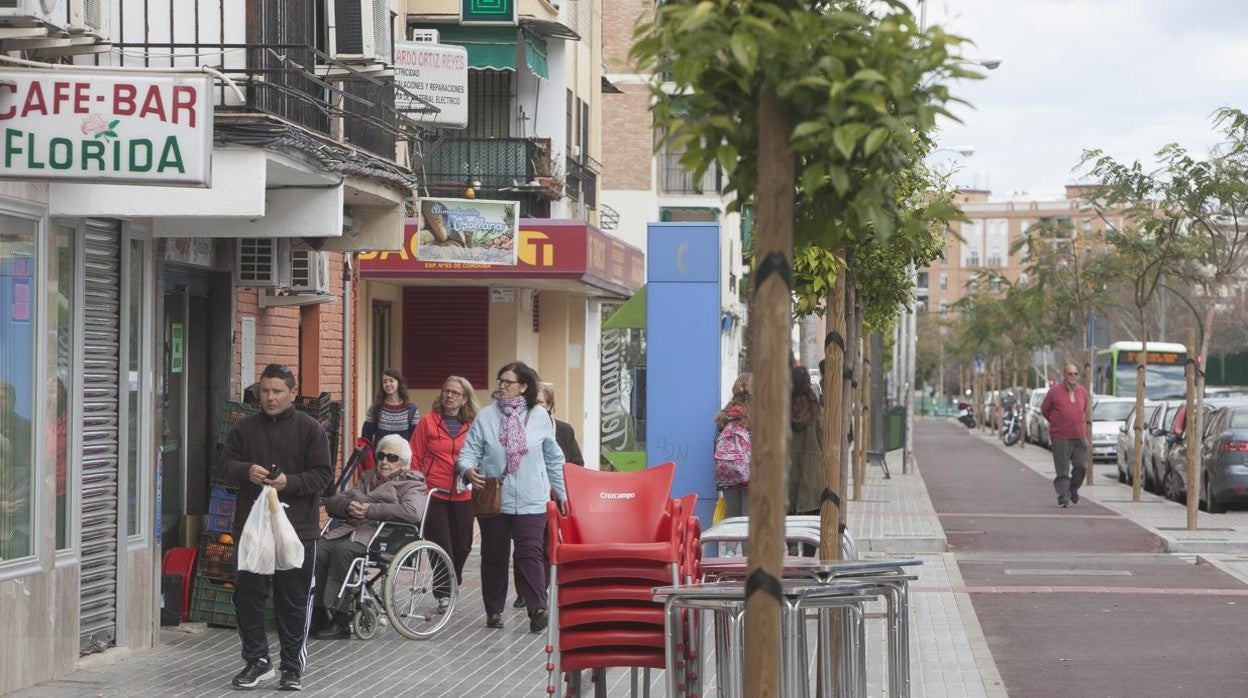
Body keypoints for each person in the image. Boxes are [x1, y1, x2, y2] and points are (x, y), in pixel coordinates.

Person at [219, 364, 332, 691]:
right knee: (247, 596)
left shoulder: (311, 429)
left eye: (277, 391)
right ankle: (257, 660)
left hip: (297, 529)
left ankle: (292, 667)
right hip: (252, 529)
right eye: (265, 391)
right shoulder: (244, 429)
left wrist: (290, 482)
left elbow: (323, 476)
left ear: (292, 393)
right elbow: (224, 466)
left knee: (293, 599)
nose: (269, 397)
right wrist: (245, 471)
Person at [457, 361, 567, 633]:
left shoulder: (540, 417)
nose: (502, 386)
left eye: (508, 382)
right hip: (494, 498)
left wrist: (562, 493)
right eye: (500, 381)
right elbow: (468, 452)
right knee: (494, 554)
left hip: (532, 498)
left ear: (524, 386)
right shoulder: (486, 416)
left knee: (530, 553)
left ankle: (537, 608)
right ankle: (494, 611)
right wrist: (467, 469)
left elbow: (554, 458)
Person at [313, 434, 427, 639]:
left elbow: (413, 512)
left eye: (392, 458)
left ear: (403, 463)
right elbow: (333, 501)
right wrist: (349, 506)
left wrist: (370, 510)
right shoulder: (367, 478)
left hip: (383, 537)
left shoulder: (411, 483)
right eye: (381, 456)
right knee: (319, 549)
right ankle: (319, 612)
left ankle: (340, 619)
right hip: (352, 530)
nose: (384, 461)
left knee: (342, 552)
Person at [513, 384, 584, 609]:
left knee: (548, 544)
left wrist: (563, 488)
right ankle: (524, 591)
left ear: (550, 405)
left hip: (554, 495)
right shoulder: (517, 427)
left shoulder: (563, 430)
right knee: (527, 545)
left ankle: (540, 589)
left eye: (540, 402)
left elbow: (576, 463)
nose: (536, 408)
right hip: (529, 493)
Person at [410, 375, 478, 602]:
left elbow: (479, 454)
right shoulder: (428, 422)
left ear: (464, 399)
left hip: (463, 492)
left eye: (455, 393)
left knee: (463, 545)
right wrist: (419, 484)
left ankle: (453, 577)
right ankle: (443, 594)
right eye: (446, 391)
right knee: (441, 545)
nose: (449, 395)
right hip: (434, 492)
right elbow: (415, 456)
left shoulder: (473, 425)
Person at [1040, 362, 1089, 508]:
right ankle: (1063, 496)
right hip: (1060, 436)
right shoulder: (1054, 392)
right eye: (1070, 374)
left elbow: (1084, 409)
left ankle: (1073, 488)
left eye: (1075, 374)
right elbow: (1045, 410)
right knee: (1062, 469)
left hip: (1079, 436)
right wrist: (1057, 422)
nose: (1073, 376)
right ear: (1064, 375)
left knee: (1081, 466)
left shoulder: (1082, 392)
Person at [358, 368, 421, 471]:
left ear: (399, 383)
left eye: (391, 380)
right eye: (384, 381)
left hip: (403, 464)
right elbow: (366, 438)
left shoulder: (411, 409)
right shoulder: (375, 408)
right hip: (381, 462)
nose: (387, 384)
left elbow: (416, 439)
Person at [713, 373, 753, 518]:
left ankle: (730, 542)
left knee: (732, 521)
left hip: (728, 477)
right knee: (749, 524)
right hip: (751, 477)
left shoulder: (726, 415)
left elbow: (716, 446)